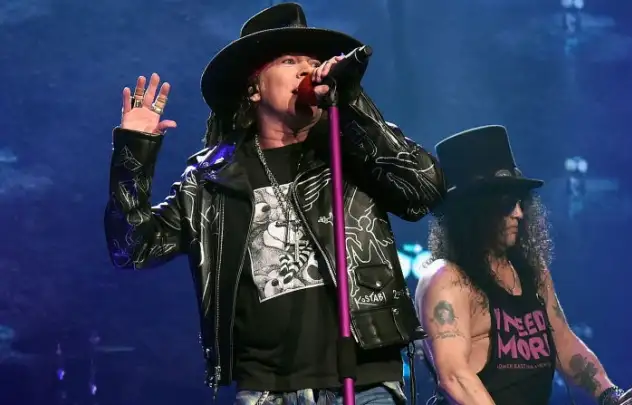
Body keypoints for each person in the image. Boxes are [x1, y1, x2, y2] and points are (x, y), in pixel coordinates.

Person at [104, 3, 445, 404]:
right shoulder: (211, 180)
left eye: (313, 62)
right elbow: (132, 248)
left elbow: (423, 190)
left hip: (365, 380)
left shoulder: (353, 149)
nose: (307, 70)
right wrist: (134, 151)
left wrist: (352, 101)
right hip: (268, 390)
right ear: (254, 88)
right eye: (289, 61)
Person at [414, 126, 632, 405]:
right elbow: (454, 376)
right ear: (474, 210)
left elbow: (564, 343)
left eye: (520, 202)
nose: (519, 214)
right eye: (507, 204)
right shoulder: (446, 280)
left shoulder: (531, 272)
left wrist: (609, 394)